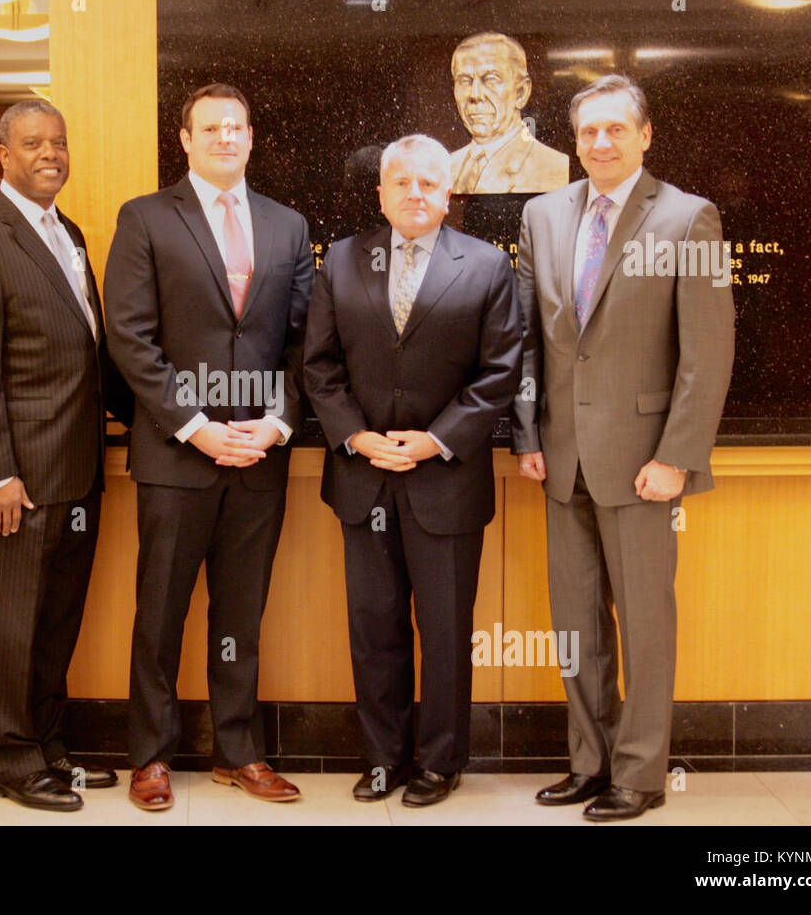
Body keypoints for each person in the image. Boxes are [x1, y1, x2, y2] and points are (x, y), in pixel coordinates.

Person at [511, 74, 735, 821]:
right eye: (587, 132)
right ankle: (589, 761)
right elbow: (532, 342)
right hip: (561, 459)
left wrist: (677, 456)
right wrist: (530, 433)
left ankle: (639, 774)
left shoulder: (689, 218)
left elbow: (709, 351)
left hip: (645, 463)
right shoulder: (543, 216)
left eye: (614, 130)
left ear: (645, 135)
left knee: (644, 625)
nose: (599, 143)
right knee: (575, 627)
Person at [104, 83, 315, 811]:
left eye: (237, 127)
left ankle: (239, 750)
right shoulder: (145, 218)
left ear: (251, 138)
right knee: (159, 612)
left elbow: (305, 342)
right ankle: (151, 756)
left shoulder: (287, 226)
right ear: (185, 139)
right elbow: (130, 339)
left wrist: (277, 424)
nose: (225, 137)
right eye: (210, 127)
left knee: (241, 612)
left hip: (259, 456)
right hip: (176, 455)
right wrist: (197, 426)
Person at [305, 134, 521, 805]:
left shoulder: (487, 267)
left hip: (445, 480)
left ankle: (439, 761)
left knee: (447, 629)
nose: (416, 194)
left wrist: (434, 441)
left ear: (447, 192)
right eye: (402, 183)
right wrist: (359, 439)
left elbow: (500, 373)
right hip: (363, 475)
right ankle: (382, 758)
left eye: (429, 183)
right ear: (381, 193)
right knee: (374, 627)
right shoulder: (340, 260)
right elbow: (318, 365)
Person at [0, 100, 132, 812]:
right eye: (34, 143)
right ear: (4, 157)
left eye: (60, 141)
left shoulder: (68, 233)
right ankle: (12, 760)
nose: (51, 152)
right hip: (14, 478)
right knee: (9, 625)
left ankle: (49, 745)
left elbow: (88, 352)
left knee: (53, 623)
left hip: (77, 471)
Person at [448, 32, 569, 195]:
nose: (475, 95)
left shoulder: (555, 166)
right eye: (464, 81)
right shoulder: (445, 166)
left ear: (521, 93)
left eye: (490, 79)